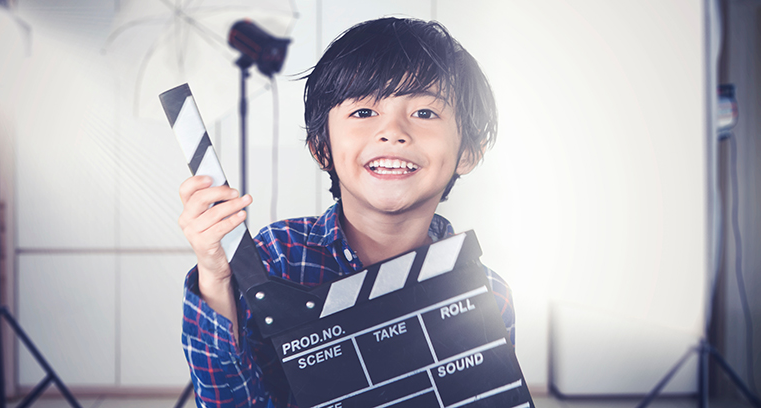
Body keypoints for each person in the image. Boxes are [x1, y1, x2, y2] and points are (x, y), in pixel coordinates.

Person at [177, 17, 513, 408]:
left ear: (468, 152)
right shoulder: (276, 257)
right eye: (364, 112)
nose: (393, 132)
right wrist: (215, 277)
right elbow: (232, 403)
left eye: (424, 112)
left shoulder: (486, 292)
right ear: (322, 147)